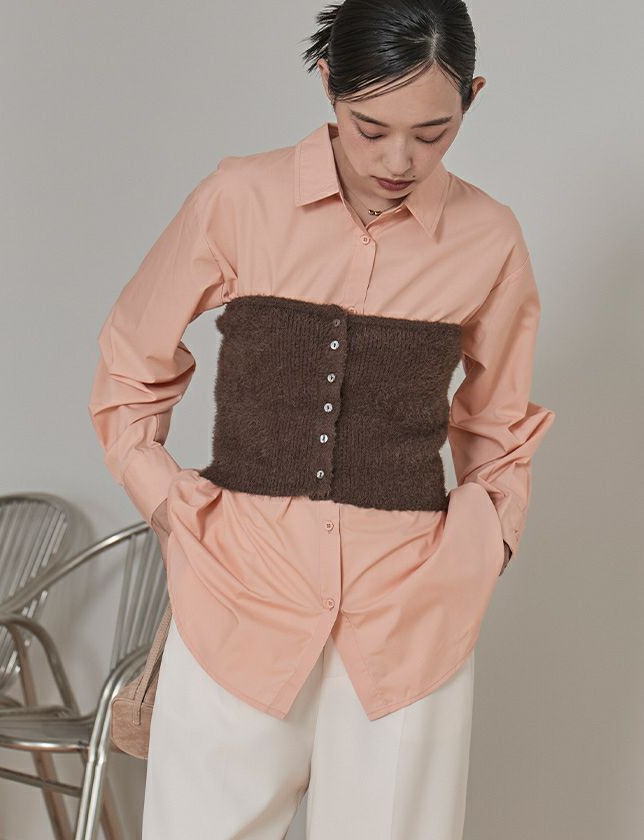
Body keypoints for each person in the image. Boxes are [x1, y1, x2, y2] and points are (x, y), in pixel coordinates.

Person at [88, 0, 556, 837]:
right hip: (238, 592)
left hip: (412, 612)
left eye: (434, 132)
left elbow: (499, 423)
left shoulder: (489, 237)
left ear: (474, 97)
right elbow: (132, 360)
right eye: (371, 128)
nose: (400, 159)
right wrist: (170, 508)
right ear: (328, 84)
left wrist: (487, 543)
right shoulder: (240, 198)